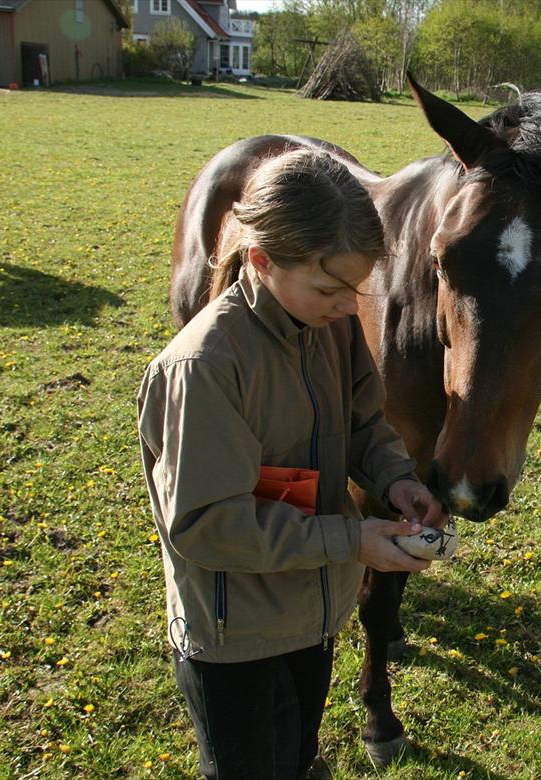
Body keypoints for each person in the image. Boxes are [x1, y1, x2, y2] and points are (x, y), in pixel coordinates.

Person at [137, 147, 446, 779]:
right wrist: (350, 540)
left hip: (313, 613)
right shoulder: (204, 369)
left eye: (356, 288)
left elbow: (364, 423)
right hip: (235, 636)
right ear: (261, 259)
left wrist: (397, 479)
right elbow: (205, 525)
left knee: (297, 756)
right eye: (331, 287)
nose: (345, 304)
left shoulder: (329, 327)